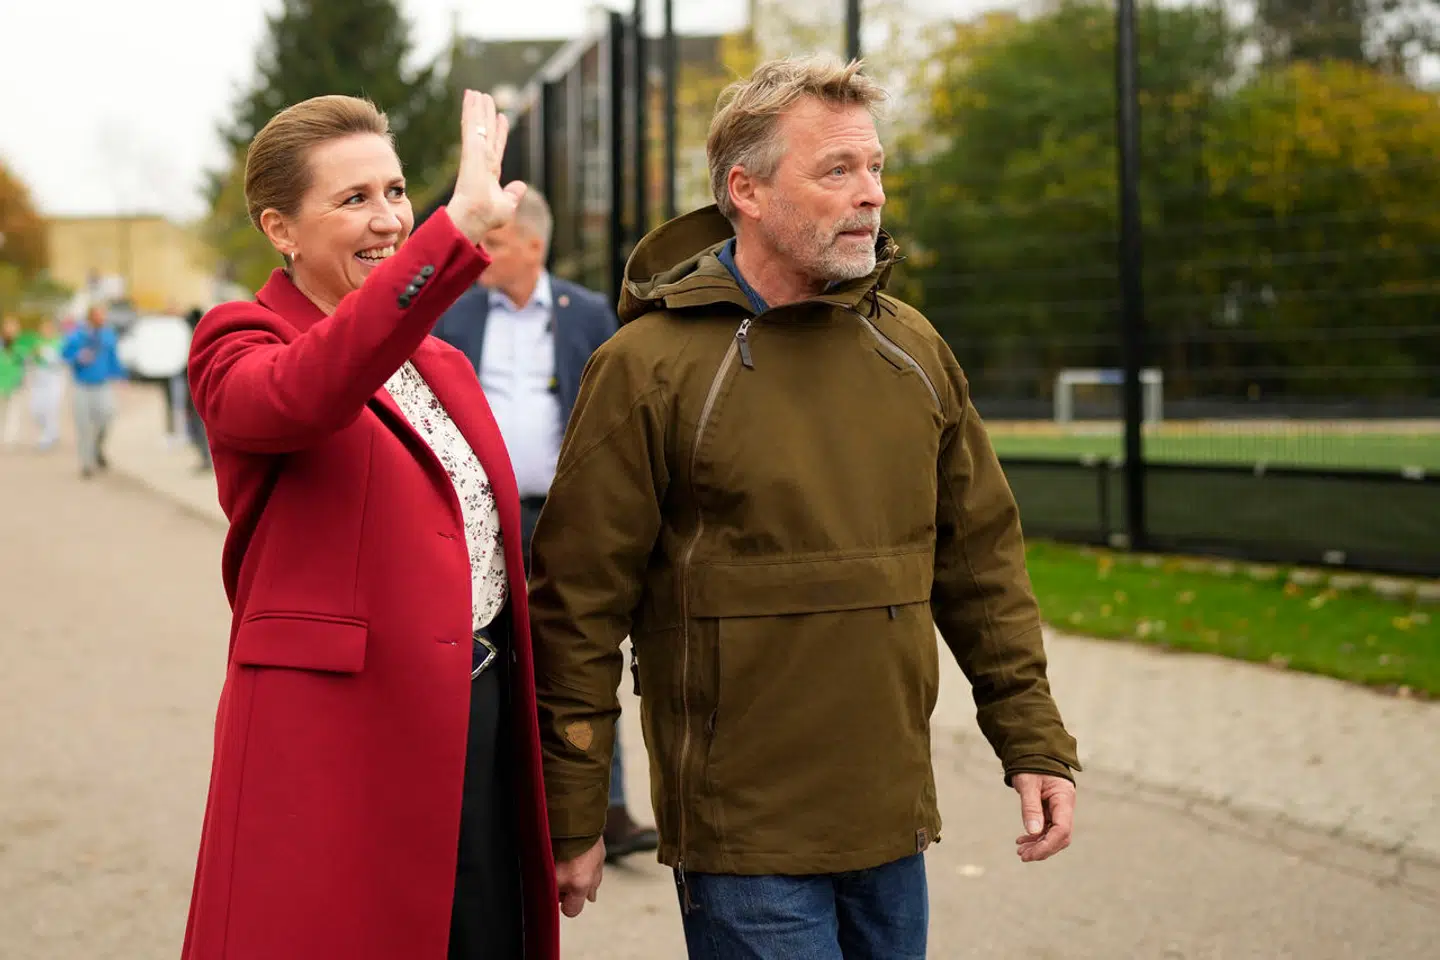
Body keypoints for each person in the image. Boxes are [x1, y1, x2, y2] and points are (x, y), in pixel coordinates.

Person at [528, 56, 1081, 957]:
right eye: (837, 171)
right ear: (745, 189)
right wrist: (574, 809)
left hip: (890, 820)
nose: (870, 195)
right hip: (740, 835)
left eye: (875, 168)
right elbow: (577, 606)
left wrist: (1034, 743)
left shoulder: (912, 351)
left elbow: (981, 568)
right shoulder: (646, 366)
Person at [180, 91, 559, 960]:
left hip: (478, 721)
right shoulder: (240, 341)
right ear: (280, 229)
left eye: (396, 192)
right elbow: (314, 388)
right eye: (354, 200)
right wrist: (452, 233)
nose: (389, 218)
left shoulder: (440, 360)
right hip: (337, 748)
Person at [433, 187, 658, 863]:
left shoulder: (589, 315)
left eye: (494, 242)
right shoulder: (457, 314)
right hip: (477, 518)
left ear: (533, 245)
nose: (480, 255)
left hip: (565, 516)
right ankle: (480, 804)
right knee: (479, 651)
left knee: (578, 652)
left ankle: (607, 810)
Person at [61, 304, 125, 476]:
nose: (102, 318)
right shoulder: (77, 336)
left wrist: (120, 375)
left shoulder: (108, 335)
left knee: (107, 417)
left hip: (102, 385)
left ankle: (97, 447)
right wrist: (78, 356)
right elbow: (64, 354)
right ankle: (86, 463)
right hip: (83, 386)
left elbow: (113, 357)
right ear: (91, 316)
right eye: (99, 315)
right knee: (83, 426)